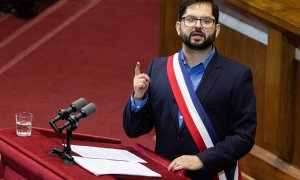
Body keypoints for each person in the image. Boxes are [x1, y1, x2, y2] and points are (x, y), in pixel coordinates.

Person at [123, 0, 256, 179]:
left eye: (206, 21)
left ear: (217, 29)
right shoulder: (158, 67)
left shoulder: (237, 75)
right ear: (179, 27)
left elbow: (243, 136)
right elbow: (133, 130)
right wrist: (138, 99)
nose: (198, 26)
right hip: (165, 172)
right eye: (191, 19)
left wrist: (203, 160)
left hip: (210, 175)